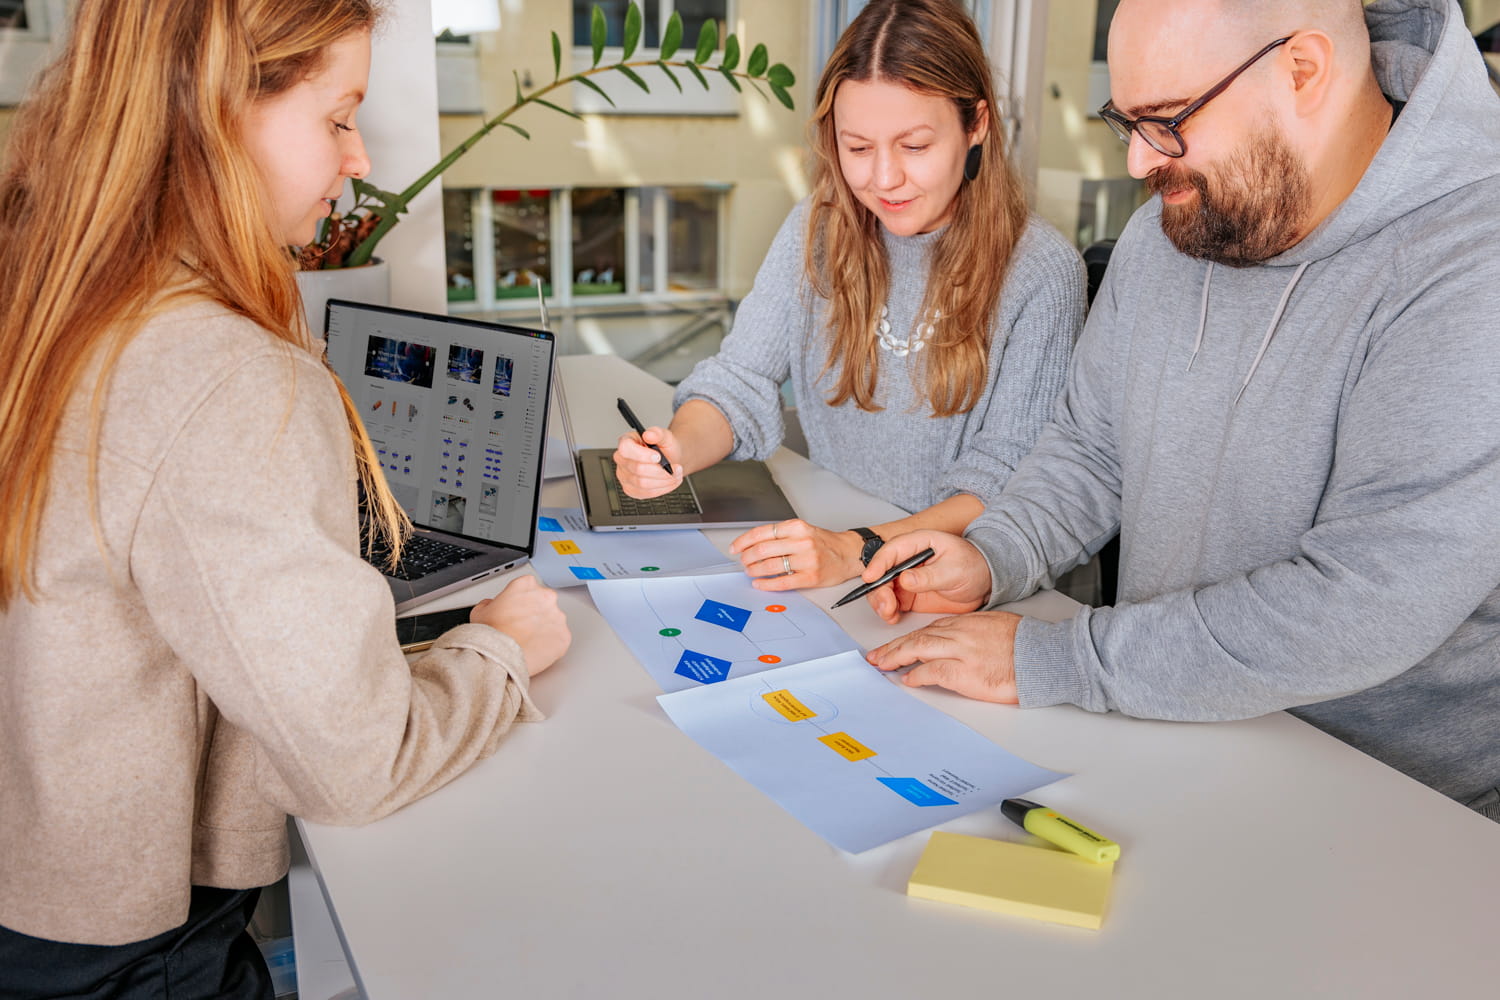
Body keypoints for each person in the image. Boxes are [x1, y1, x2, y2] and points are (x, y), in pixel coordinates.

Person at [0, 1, 571, 994]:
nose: (359, 159)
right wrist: (496, 649)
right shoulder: (224, 374)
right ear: (219, 109)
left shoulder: (53, 291)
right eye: (339, 117)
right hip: (127, 956)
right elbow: (359, 761)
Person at [862, 0, 1500, 821]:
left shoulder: (1471, 264)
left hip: (1389, 807)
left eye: (1167, 120)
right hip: (1168, 740)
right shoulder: (1168, 229)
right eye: (1126, 122)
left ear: (1303, 70)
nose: (1138, 162)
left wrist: (1054, 660)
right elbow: (1093, 448)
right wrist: (993, 555)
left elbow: (1367, 599)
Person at [612, 0, 1086, 592]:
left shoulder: (1042, 271)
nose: (883, 179)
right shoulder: (818, 228)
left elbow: (1004, 485)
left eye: (914, 146)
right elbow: (740, 380)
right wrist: (675, 448)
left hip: (945, 580)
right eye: (857, 148)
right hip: (833, 554)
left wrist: (856, 548)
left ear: (977, 125)